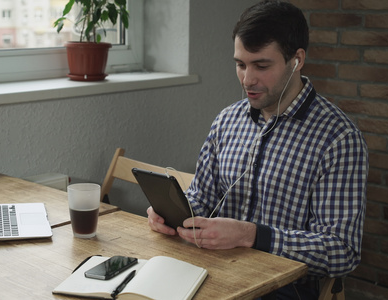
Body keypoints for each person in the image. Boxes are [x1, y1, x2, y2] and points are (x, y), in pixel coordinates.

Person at [147, 1, 368, 299]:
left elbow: (342, 251)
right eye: (240, 64)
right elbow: (202, 198)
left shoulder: (338, 138)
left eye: (261, 66)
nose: (247, 80)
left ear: (297, 60)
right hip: (211, 270)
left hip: (282, 289)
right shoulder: (227, 120)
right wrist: (172, 214)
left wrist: (251, 235)